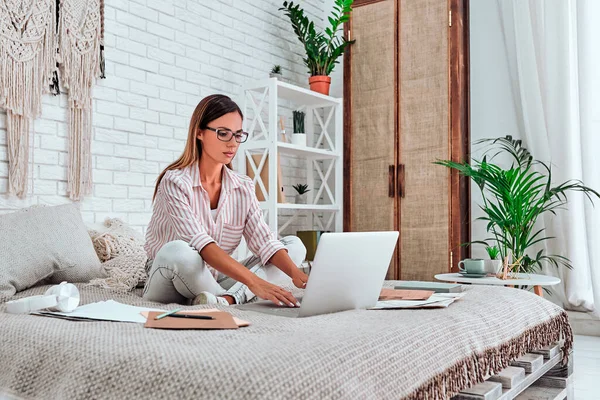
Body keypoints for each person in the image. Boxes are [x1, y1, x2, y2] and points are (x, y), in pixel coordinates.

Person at [142, 94, 308, 307]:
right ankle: (236, 298)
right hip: (169, 274)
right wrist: (256, 283)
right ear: (199, 132)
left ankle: (224, 300)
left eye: (238, 135)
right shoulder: (175, 182)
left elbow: (264, 242)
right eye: (223, 134)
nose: (232, 143)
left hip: (211, 278)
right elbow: (203, 246)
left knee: (294, 246)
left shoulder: (243, 186)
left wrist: (297, 275)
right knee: (180, 251)